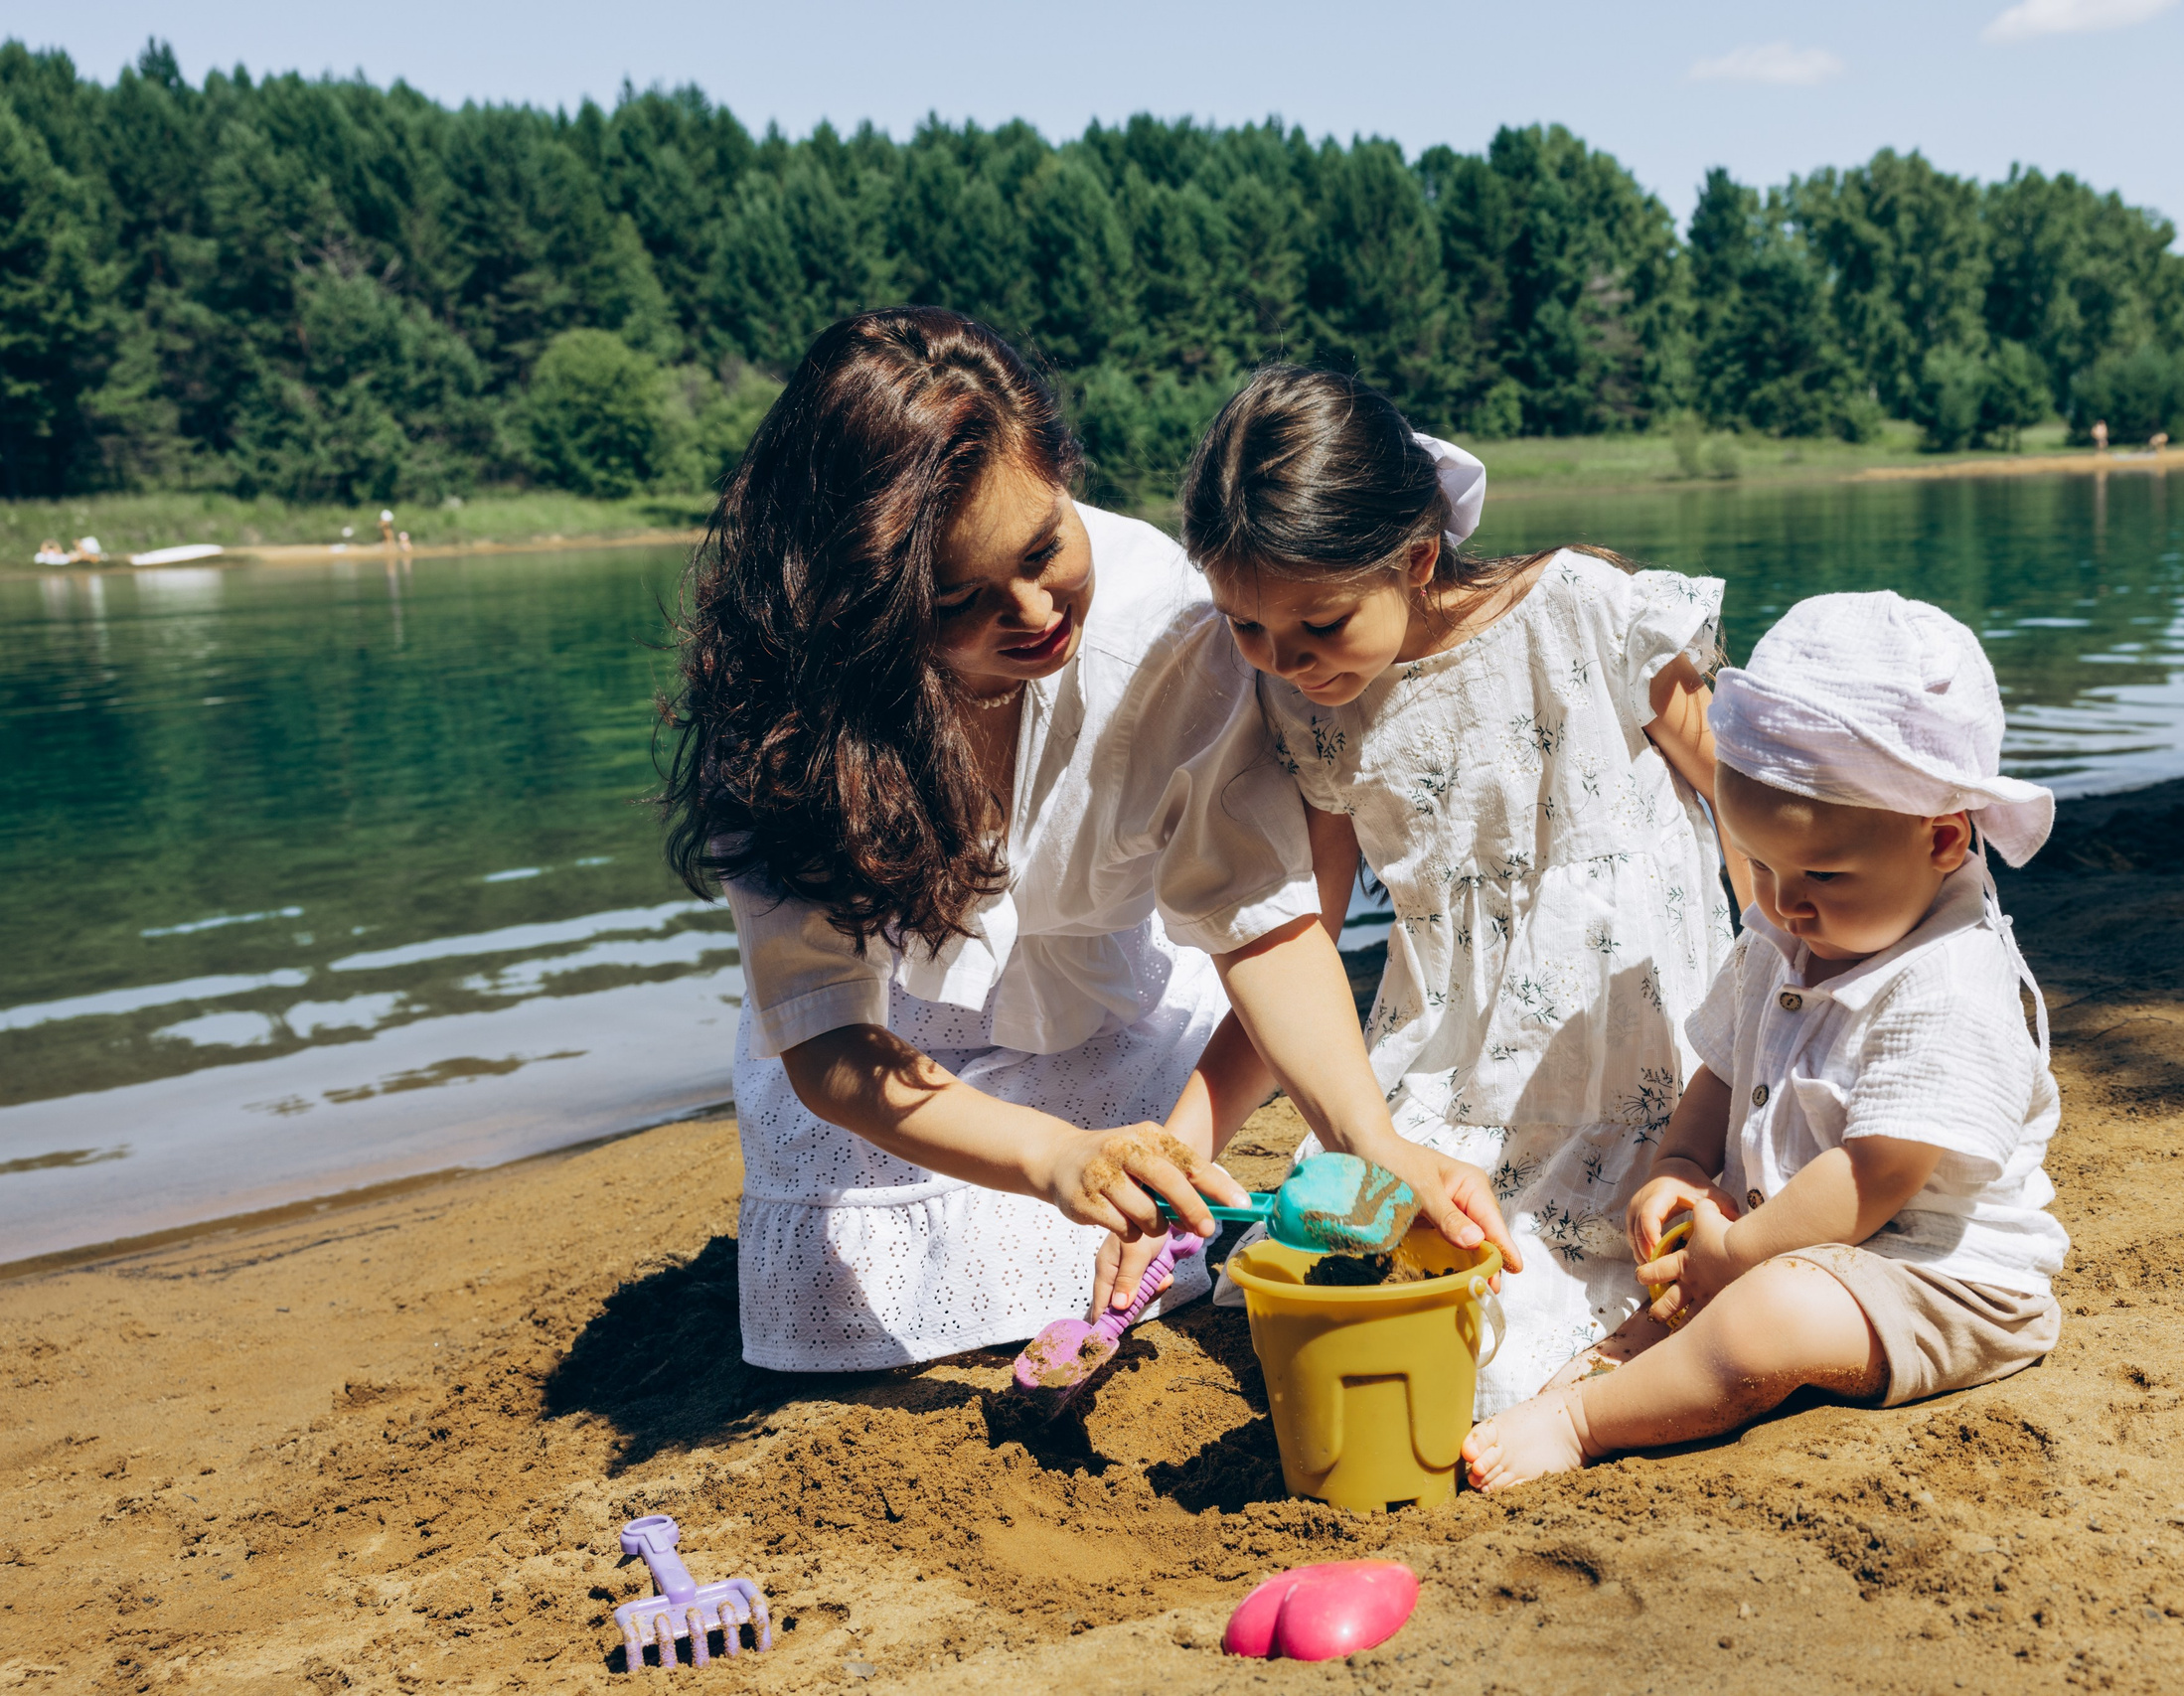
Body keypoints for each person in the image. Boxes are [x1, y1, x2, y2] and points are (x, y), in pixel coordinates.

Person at [660, 311, 1507, 1373]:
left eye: (1043, 548)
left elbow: (1263, 923)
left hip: (1112, 1014)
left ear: (1063, 474)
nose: (1031, 614)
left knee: (1138, 1234)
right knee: (837, 1307)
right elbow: (826, 1041)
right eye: (959, 600)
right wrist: (1055, 1158)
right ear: (860, 606)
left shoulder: (1170, 622)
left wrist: (1368, 1143)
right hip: (893, 1068)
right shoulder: (786, 714)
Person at [1144, 365, 1737, 1413]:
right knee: (1379, 1263)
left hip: (1638, 1033)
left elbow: (1748, 809)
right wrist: (1184, 1139)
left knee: (1528, 1325)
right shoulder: (1308, 709)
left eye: (1319, 626)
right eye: (1246, 629)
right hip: (1462, 1053)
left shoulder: (1582, 612)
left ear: (1415, 559)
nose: (1283, 663)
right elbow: (1297, 935)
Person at [1463, 591, 2069, 1490]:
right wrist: (1678, 1159)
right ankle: (1628, 1362)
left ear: (1942, 838)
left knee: (1761, 1318)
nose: (1786, 901)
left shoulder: (1951, 981)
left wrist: (1743, 1256)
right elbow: (1722, 1065)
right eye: (1764, 863)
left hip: (1937, 1278)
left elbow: (1874, 1177)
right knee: (1693, 1296)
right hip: (1795, 1240)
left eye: (1822, 872)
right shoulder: (1789, 929)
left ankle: (1587, 1421)